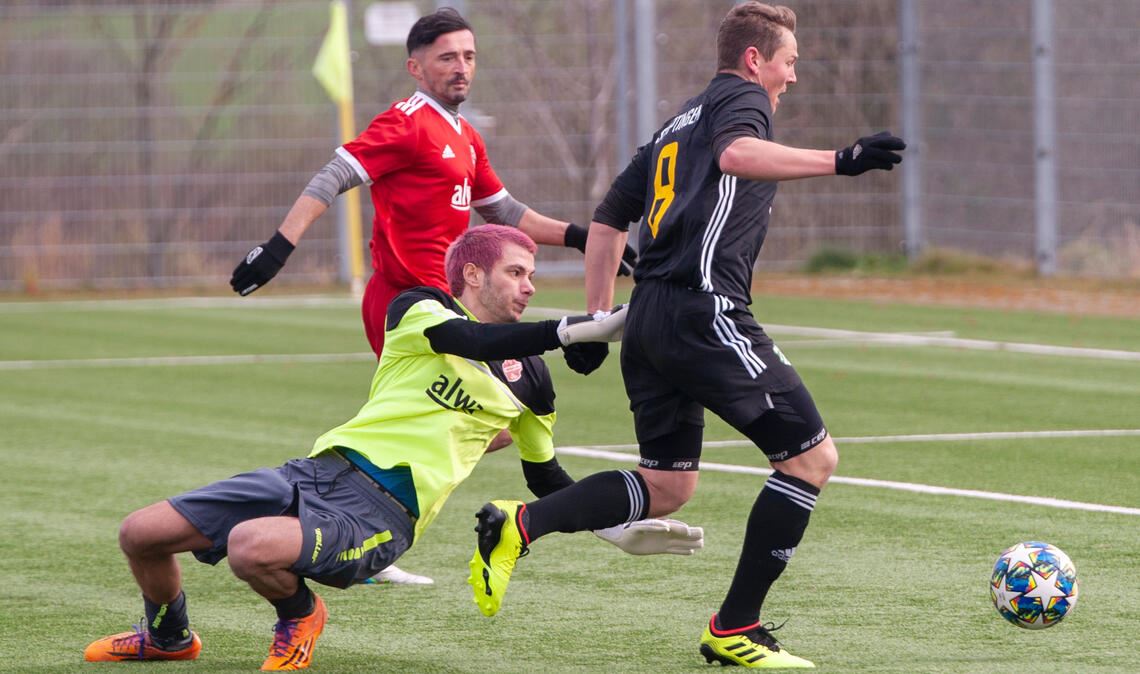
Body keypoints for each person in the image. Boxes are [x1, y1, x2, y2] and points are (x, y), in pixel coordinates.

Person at [468, 3, 905, 669]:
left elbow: (610, 217)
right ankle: (736, 628)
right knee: (810, 461)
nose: (793, 77)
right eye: (788, 62)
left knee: (667, 485)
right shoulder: (741, 101)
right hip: (707, 313)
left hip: (651, 319)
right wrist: (841, 159)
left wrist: (595, 314)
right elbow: (737, 153)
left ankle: (520, 524)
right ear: (755, 58)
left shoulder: (676, 123)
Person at [85, 226, 701, 671]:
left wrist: (618, 527)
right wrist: (576, 329)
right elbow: (468, 339)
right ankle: (169, 639)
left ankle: (299, 614)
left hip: (382, 514)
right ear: (473, 274)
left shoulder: (533, 381)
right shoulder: (420, 308)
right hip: (315, 472)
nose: (530, 287)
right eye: (517, 273)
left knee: (251, 548)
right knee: (140, 532)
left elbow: (546, 480)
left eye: (533, 276)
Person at [230, 8, 633, 583]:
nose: (461, 67)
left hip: (454, 309)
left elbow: (506, 212)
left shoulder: (465, 135)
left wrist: (583, 237)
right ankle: (347, 523)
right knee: (436, 421)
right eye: (447, 58)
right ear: (416, 67)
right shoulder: (406, 121)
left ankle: (336, 511)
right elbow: (332, 176)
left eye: (468, 56)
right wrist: (278, 246)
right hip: (408, 306)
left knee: (480, 425)